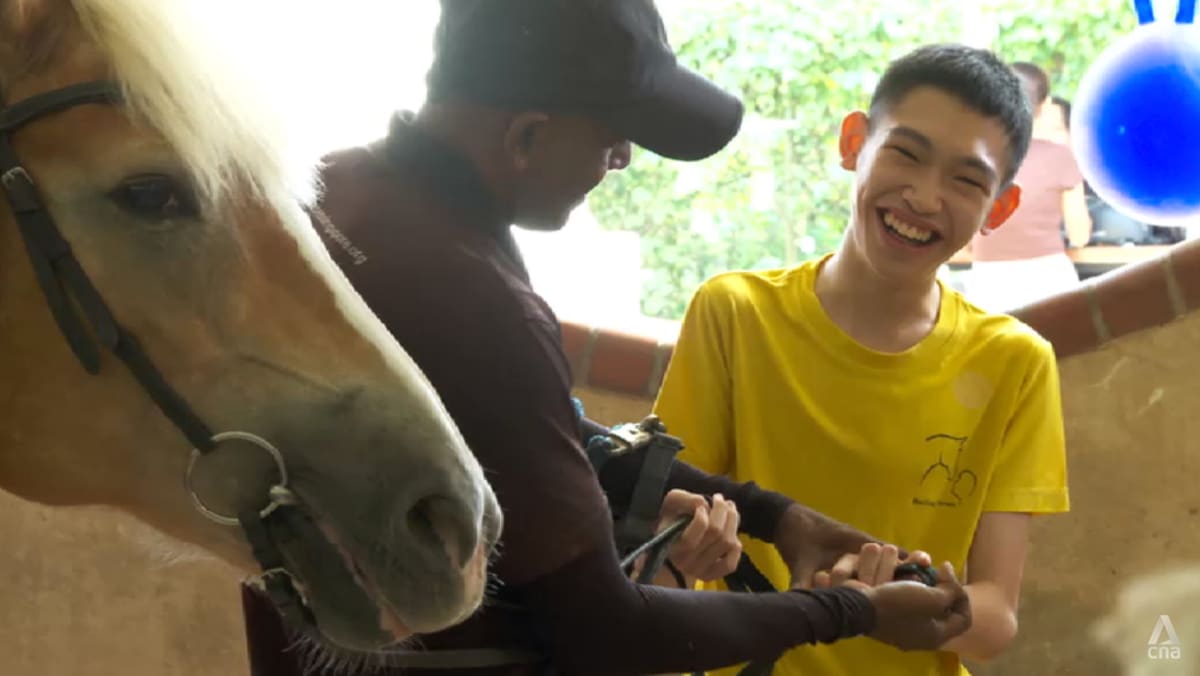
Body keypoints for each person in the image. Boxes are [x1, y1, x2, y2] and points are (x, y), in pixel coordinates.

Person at [240, 2, 974, 675]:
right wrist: (851, 611)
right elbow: (606, 632)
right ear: (527, 137)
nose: (621, 159)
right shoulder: (477, 303)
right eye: (612, 136)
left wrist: (774, 518)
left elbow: (505, 428)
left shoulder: (329, 190)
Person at [653, 44, 1070, 676]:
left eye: (966, 180)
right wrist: (684, 554)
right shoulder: (734, 313)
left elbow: (995, 620)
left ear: (1001, 208)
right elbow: (663, 542)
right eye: (906, 154)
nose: (924, 198)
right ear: (854, 143)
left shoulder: (1016, 361)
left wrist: (908, 606)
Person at [963, 61, 1091, 313]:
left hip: (987, 283)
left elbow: (966, 237)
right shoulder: (1061, 156)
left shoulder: (973, 156)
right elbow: (1079, 235)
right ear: (1044, 106)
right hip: (1049, 280)